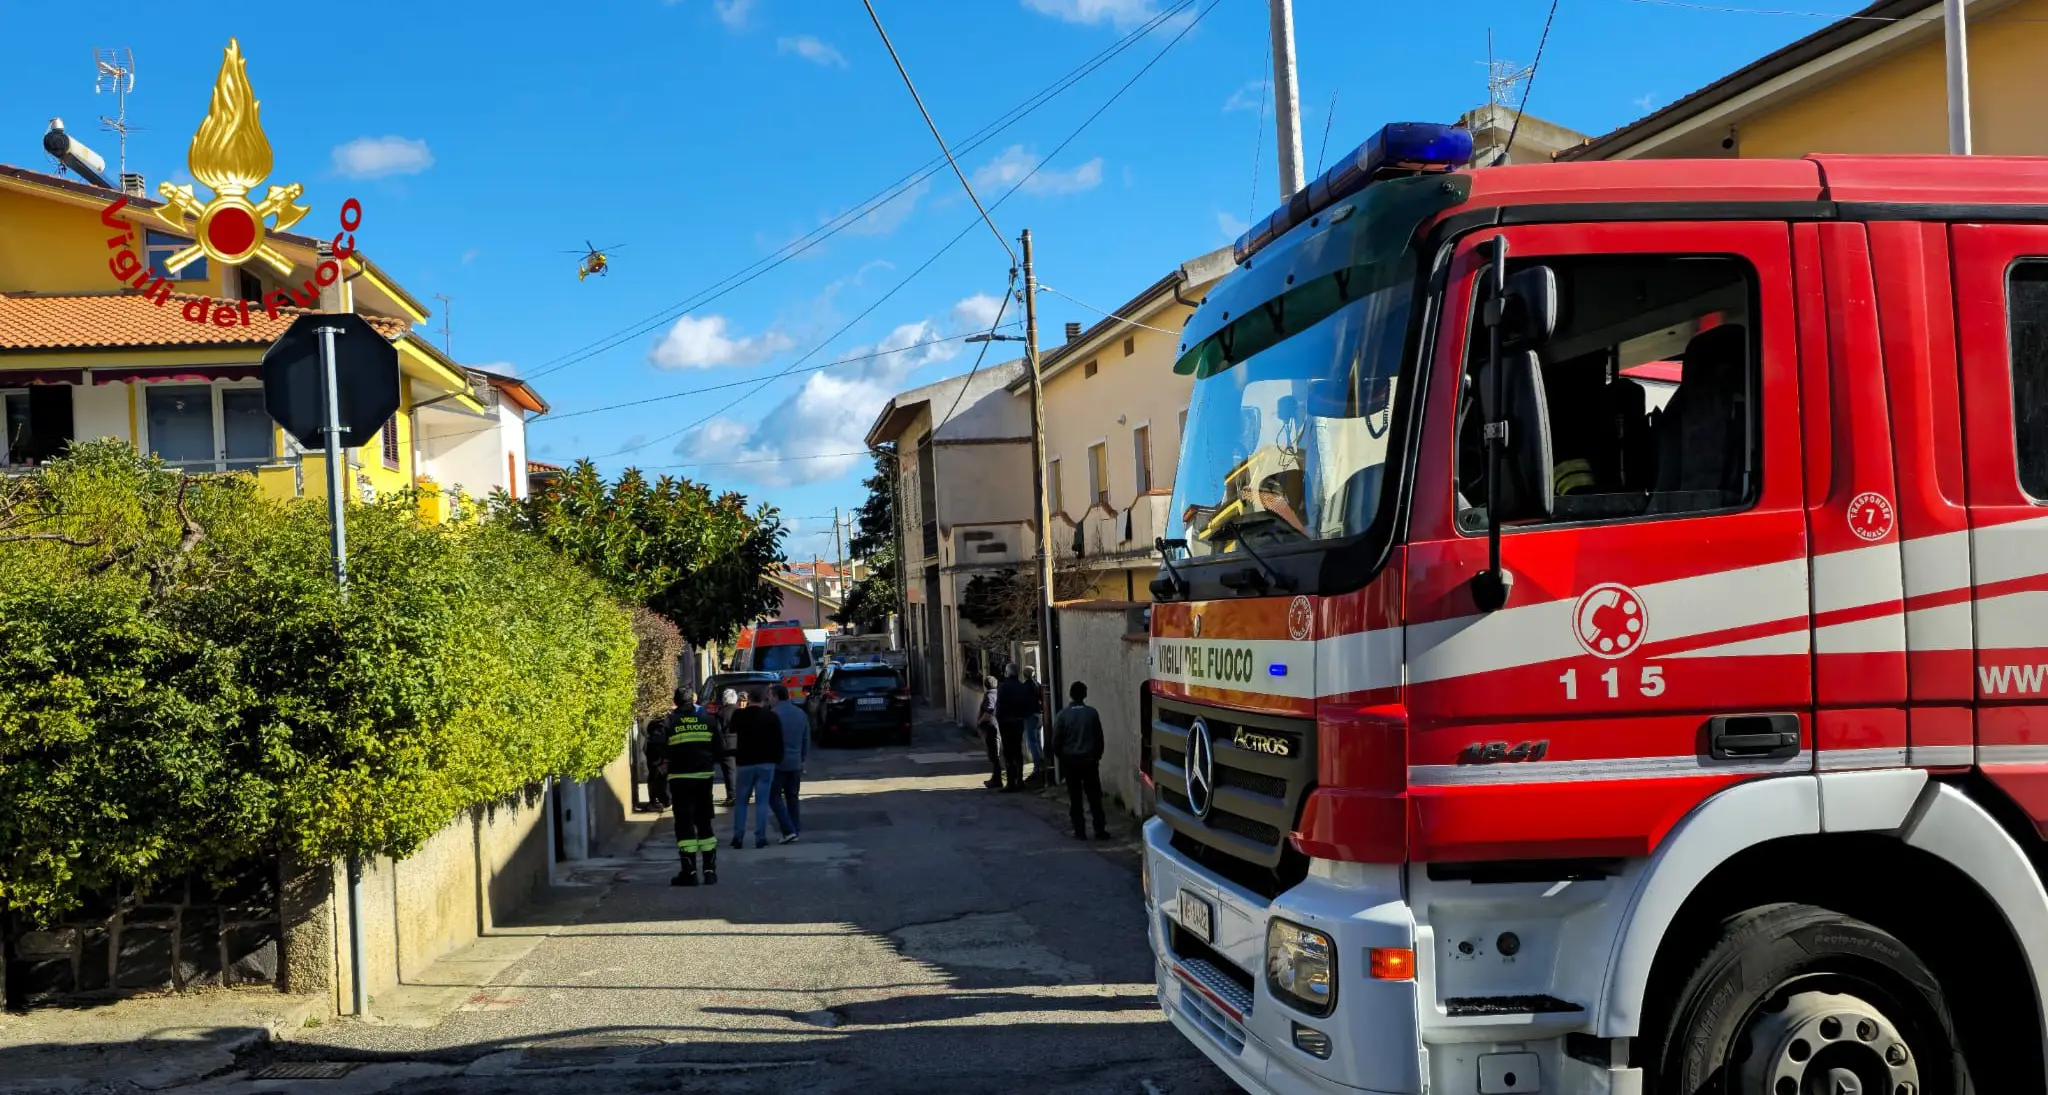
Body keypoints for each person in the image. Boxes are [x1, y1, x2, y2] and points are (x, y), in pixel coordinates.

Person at [661, 688, 723, 886]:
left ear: (675, 701)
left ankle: (689, 873)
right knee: (704, 822)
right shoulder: (708, 720)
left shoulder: (670, 721)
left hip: (680, 779)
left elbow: (656, 744)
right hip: (704, 777)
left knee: (685, 823)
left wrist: (664, 761)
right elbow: (720, 749)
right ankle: (710, 872)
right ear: (693, 700)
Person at [1050, 681, 1110, 840]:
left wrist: (1062, 758)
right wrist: (1097, 755)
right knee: (1094, 796)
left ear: (1071, 695)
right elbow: (1099, 738)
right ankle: (1099, 828)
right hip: (1089, 761)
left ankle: (1080, 830)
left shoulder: (1063, 715)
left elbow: (1056, 741)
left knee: (1075, 797)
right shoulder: (1091, 713)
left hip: (1071, 762)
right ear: (1085, 695)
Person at [728, 688, 784, 849]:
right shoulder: (771, 716)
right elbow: (779, 741)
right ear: (764, 700)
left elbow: (732, 729)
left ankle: (738, 837)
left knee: (741, 803)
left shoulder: (740, 715)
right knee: (762, 803)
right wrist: (777, 760)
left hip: (745, 762)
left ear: (749, 698)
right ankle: (760, 837)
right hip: (766, 763)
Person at [770, 684, 809, 844]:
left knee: (773, 796)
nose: (769, 699)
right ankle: (795, 829)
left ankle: (788, 829)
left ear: (777, 696)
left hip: (778, 763)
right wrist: (802, 759)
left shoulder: (773, 715)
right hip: (795, 762)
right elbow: (806, 739)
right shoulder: (800, 713)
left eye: (770, 696)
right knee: (793, 796)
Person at [994, 663, 1033, 792]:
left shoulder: (1003, 687)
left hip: (1006, 723)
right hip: (1019, 722)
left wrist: (999, 719)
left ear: (1008, 673)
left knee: (1009, 753)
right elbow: (1027, 705)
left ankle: (1011, 782)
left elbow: (999, 706)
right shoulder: (1022, 687)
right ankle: (1019, 780)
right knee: (1018, 751)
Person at [713, 688, 741, 807]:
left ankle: (732, 796)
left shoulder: (720, 713)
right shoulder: (740, 711)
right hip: (740, 744)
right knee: (739, 770)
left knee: (729, 772)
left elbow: (717, 732)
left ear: (724, 699)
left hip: (726, 745)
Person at [1020, 664, 1047, 787]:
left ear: (1024, 675)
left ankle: (1038, 767)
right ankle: (1040, 765)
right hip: (1039, 715)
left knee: (1031, 742)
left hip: (1030, 716)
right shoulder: (1037, 685)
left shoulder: (1025, 687)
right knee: (1037, 741)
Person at [976, 674, 1002, 791]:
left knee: (994, 754)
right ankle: (996, 778)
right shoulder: (997, 694)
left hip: (991, 727)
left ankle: (997, 779)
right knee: (994, 754)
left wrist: (980, 720)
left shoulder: (990, 696)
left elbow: (990, 710)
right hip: (996, 726)